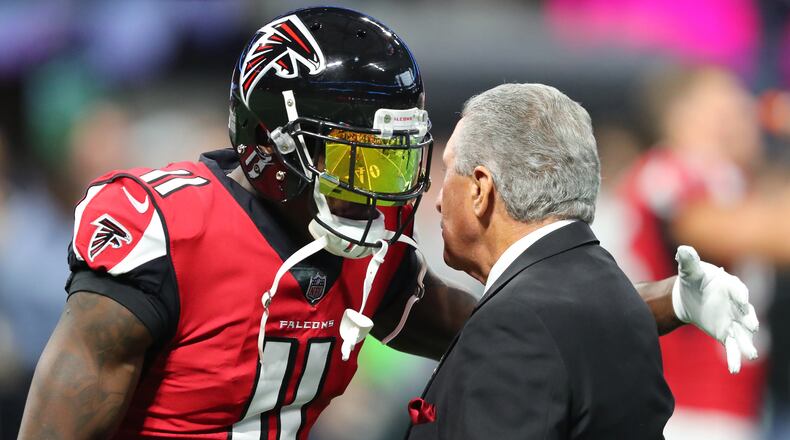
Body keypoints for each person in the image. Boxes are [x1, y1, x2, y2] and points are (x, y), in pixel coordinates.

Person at [18, 7, 758, 440]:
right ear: (276, 146)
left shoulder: (366, 259)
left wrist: (672, 300)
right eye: (363, 165)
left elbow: (512, 327)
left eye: (400, 162)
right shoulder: (165, 230)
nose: (391, 194)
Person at [406, 83, 677, 439]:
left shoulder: (514, 322)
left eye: (448, 171)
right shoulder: (618, 291)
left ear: (480, 189)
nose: (438, 199)